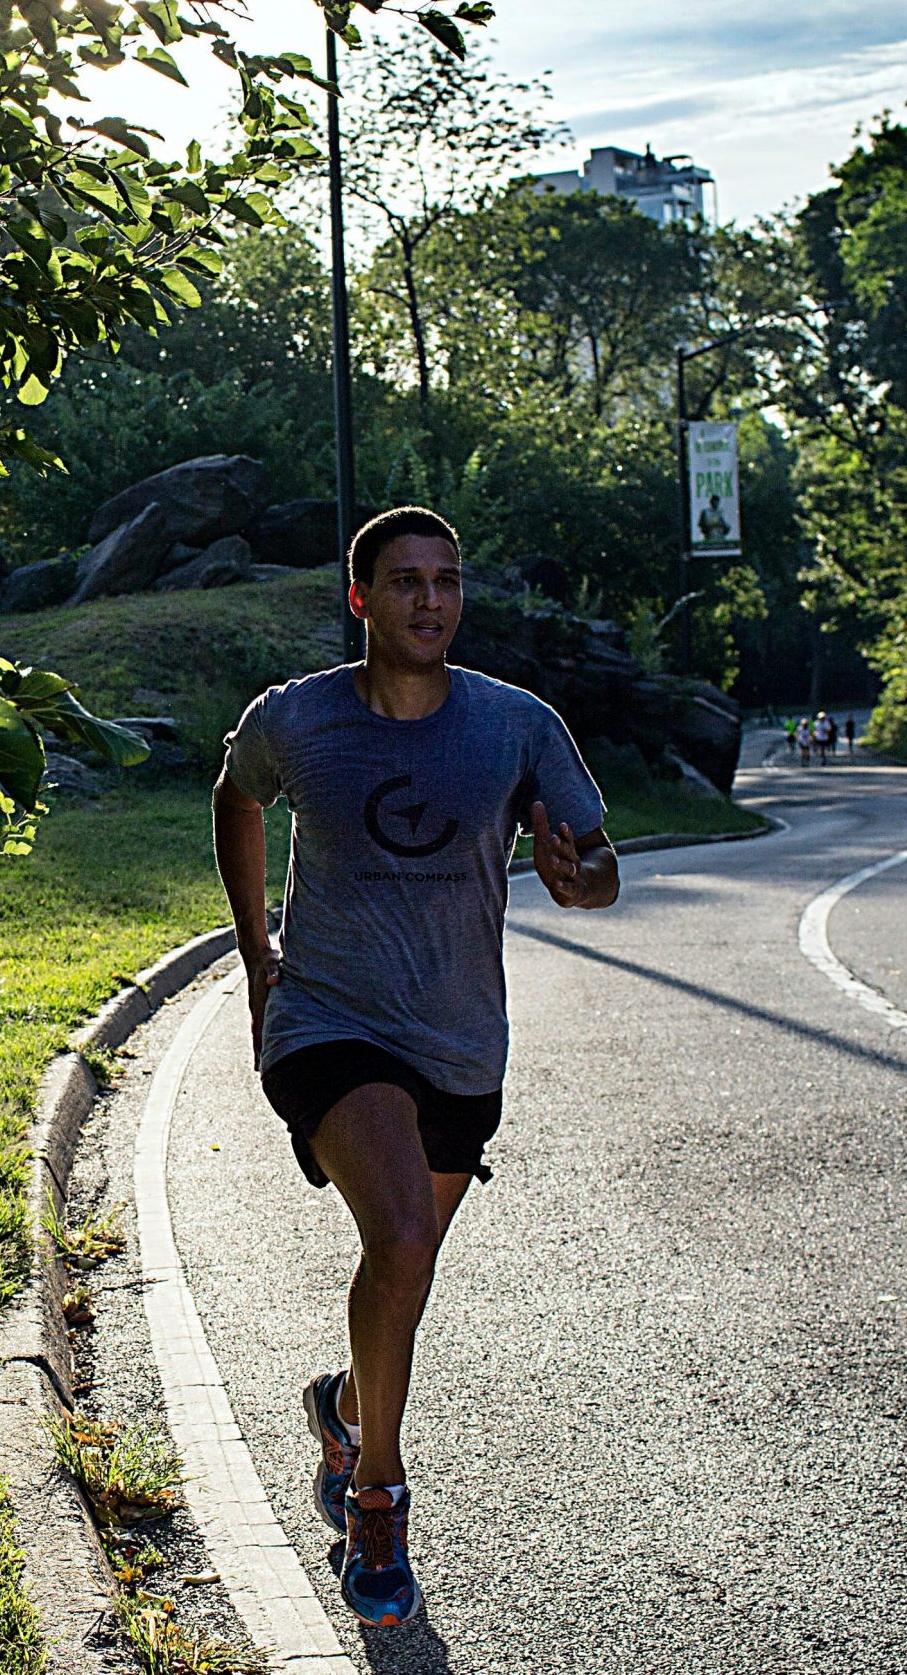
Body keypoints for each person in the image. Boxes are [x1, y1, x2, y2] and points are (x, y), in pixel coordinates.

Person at [211, 507, 620, 1628]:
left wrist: (574, 879)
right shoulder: (296, 720)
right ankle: (376, 1496)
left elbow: (599, 871)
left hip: (459, 1043)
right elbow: (235, 796)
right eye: (404, 582)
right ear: (361, 600)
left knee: (406, 1267)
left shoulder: (517, 726)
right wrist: (258, 957)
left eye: (445, 582)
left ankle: (344, 1407)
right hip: (328, 1024)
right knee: (397, 1238)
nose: (429, 601)